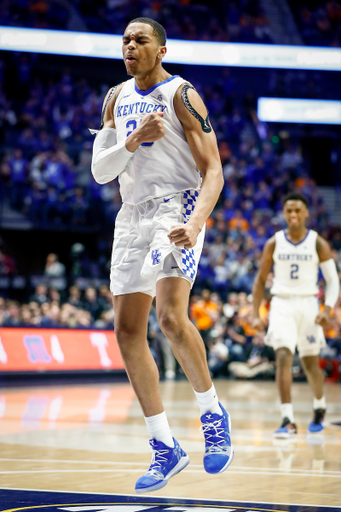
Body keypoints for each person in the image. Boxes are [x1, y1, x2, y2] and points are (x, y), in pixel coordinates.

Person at [91, 17, 233, 493]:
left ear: (162, 49)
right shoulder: (115, 97)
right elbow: (100, 171)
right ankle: (165, 446)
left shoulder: (182, 95)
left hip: (179, 205)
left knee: (171, 319)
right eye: (126, 40)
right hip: (131, 214)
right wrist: (133, 140)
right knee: (127, 331)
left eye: (141, 39)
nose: (130, 46)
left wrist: (195, 223)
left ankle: (213, 414)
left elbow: (213, 170)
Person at [252, 192, 339, 438]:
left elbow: (333, 281)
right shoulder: (274, 242)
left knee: (311, 363)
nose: (293, 215)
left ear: (306, 213)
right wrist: (256, 314)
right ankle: (287, 419)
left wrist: (327, 310)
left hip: (309, 304)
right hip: (281, 304)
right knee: (282, 356)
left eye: (297, 210)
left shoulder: (318, 242)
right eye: (288, 210)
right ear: (284, 213)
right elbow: (260, 281)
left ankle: (319, 408)